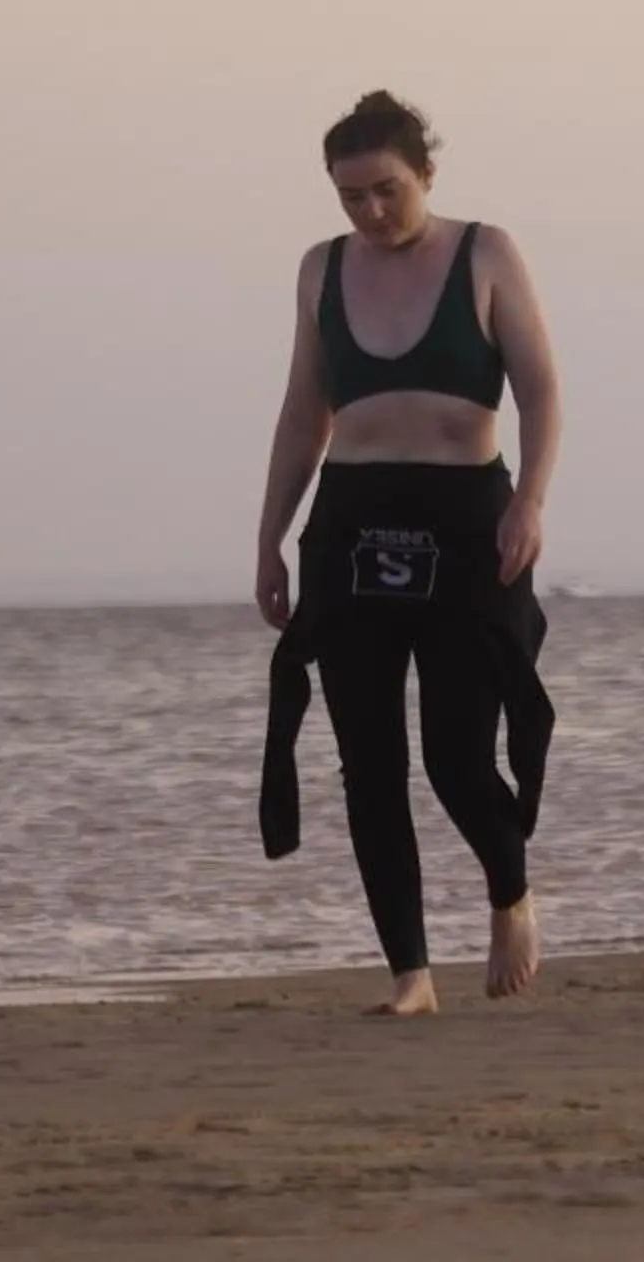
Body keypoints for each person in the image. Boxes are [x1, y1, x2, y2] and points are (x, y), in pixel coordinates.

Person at [252, 92, 563, 1017]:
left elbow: (543, 395)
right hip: (350, 520)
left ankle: (510, 893)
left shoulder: (486, 254)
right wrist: (270, 536)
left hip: (467, 517)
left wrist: (531, 504)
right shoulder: (320, 271)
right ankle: (410, 975)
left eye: (387, 190)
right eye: (351, 197)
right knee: (368, 758)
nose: (370, 212)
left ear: (425, 174)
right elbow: (303, 412)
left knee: (457, 755)